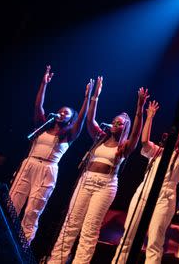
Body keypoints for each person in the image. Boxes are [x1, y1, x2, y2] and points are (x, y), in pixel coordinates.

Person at [47, 77, 148, 264]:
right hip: (86, 180)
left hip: (105, 185)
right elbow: (90, 120)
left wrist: (139, 109)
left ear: (124, 127)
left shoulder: (124, 146)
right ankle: (55, 261)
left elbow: (135, 134)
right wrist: (94, 96)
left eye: (120, 124)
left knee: (90, 228)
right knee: (70, 224)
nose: (115, 125)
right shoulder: (100, 137)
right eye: (114, 122)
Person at [113, 102, 179, 264]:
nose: (177, 135)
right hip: (144, 192)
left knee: (155, 241)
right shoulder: (157, 151)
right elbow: (144, 141)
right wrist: (149, 117)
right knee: (128, 237)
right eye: (175, 132)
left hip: (165, 197)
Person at [9, 66, 92, 244]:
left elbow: (82, 118)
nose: (61, 114)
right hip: (29, 164)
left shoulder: (69, 134)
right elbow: (38, 105)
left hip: (47, 169)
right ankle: (3, 240)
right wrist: (44, 84)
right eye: (60, 111)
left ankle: (23, 248)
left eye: (66, 113)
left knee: (32, 211)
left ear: (70, 119)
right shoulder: (43, 125)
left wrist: (87, 98)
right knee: (12, 205)